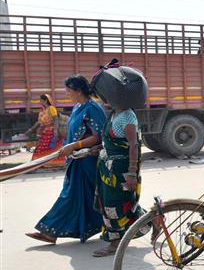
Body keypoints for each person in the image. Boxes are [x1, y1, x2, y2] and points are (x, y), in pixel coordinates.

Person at [25, 75, 107, 244]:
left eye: (69, 90)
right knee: (79, 197)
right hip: (75, 160)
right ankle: (51, 232)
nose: (66, 93)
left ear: (78, 91)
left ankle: (143, 220)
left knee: (93, 197)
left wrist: (75, 145)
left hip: (87, 161)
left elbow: (98, 136)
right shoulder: (78, 107)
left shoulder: (93, 108)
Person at [91, 105, 142, 257]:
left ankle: (115, 242)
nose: (102, 100)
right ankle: (155, 220)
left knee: (114, 206)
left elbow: (133, 145)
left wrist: (132, 172)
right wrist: (98, 148)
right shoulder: (113, 114)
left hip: (121, 170)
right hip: (107, 169)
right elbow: (112, 141)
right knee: (120, 204)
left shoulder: (127, 116)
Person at [23, 94, 66, 167]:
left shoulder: (51, 108)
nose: (40, 102)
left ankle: (38, 164)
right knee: (42, 148)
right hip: (44, 132)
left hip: (51, 132)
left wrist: (55, 131)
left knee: (44, 148)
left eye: (41, 100)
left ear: (46, 100)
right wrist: (30, 130)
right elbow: (39, 122)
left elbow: (56, 120)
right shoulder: (42, 111)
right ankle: (40, 164)